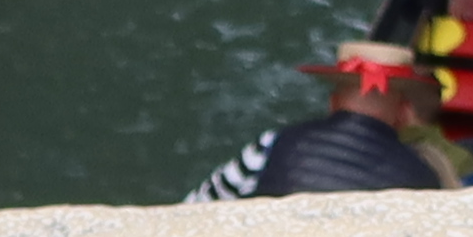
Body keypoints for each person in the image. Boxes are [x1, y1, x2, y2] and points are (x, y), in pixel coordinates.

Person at [192, 37, 458, 200]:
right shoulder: (426, 177)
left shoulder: (275, 144)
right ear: (403, 112)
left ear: (333, 100)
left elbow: (201, 205)